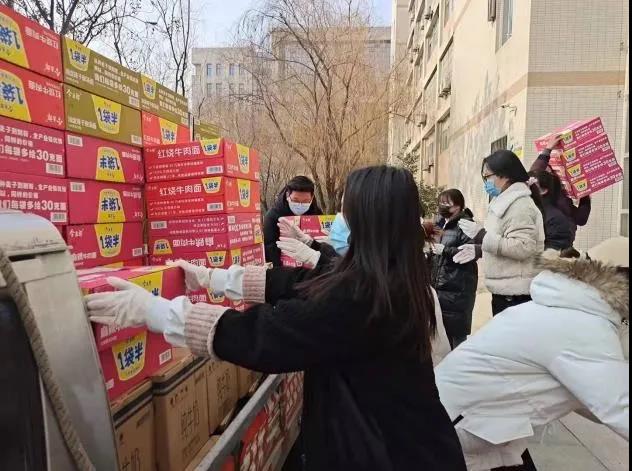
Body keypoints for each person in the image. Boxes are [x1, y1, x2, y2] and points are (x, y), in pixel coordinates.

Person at [85, 166, 467, 471]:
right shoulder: (394, 274)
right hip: (407, 444)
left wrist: (155, 311)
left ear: (368, 220)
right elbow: (305, 281)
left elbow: (266, 335)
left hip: (391, 455)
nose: (341, 218)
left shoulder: (365, 297)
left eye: (347, 210)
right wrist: (214, 278)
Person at [434, 237, 630, 470]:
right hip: (458, 430)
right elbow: (619, 406)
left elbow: (594, 397)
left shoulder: (567, 308)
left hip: (469, 422)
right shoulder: (582, 326)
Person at [455, 150, 545, 316]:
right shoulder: (503, 202)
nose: (486, 182)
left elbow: (523, 247)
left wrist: (482, 235)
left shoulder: (520, 206)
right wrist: (479, 249)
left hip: (516, 295)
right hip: (505, 292)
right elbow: (501, 239)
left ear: (505, 176)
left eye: (487, 176)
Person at [429, 189, 479, 349]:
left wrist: (445, 250)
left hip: (457, 289)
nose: (442, 206)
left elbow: (469, 253)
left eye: (446, 203)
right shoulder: (439, 223)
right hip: (439, 286)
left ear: (458, 205)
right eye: (440, 202)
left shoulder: (466, 225)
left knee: (456, 335)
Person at [530, 134, 591, 242]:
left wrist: (548, 149)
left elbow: (535, 172)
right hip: (561, 245)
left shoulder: (536, 197)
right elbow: (581, 218)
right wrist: (585, 194)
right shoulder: (559, 200)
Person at [263, 176, 322, 267]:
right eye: (295, 200)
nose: (300, 205)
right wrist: (280, 271)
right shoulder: (273, 215)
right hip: (285, 267)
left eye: (306, 201)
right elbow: (269, 247)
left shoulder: (316, 213)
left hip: (311, 267)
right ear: (288, 195)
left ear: (312, 197)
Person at [529, 170, 574, 251]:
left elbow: (552, 252)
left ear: (544, 190)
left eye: (531, 186)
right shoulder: (525, 210)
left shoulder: (555, 219)